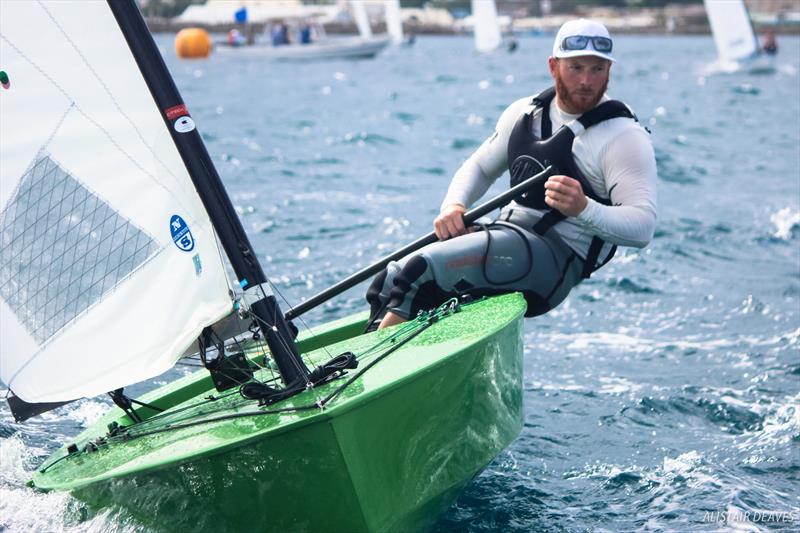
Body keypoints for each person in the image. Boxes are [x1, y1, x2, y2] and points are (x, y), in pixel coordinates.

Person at [366, 19, 657, 330]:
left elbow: (643, 227)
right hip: (507, 237)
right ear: (553, 66)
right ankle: (358, 360)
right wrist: (453, 206)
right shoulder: (524, 114)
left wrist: (584, 208)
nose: (586, 80)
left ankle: (370, 374)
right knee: (390, 276)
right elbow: (478, 167)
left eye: (597, 69)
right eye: (575, 67)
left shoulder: (624, 136)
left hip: (555, 264)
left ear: (609, 70)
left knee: (420, 271)